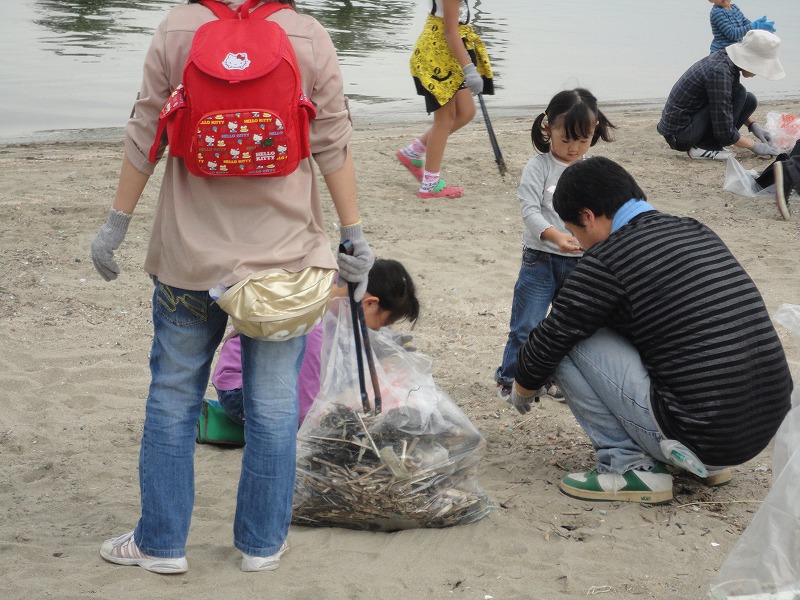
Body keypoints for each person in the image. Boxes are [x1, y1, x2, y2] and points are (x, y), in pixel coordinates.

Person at [90, 0, 375, 575]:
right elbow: (332, 142)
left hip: (188, 257)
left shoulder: (177, 28)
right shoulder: (308, 34)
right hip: (283, 262)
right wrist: (353, 234)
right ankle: (261, 544)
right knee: (274, 406)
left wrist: (117, 223)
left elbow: (146, 131)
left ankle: (160, 544)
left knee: (174, 397)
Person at [509, 157, 792, 504]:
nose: (579, 242)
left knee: (569, 340)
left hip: (703, 437)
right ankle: (705, 464)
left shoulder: (606, 259)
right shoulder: (693, 229)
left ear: (588, 217)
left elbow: (548, 340)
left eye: (574, 230)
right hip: (759, 428)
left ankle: (629, 465)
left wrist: (522, 389)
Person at [494, 88, 615, 400]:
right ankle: (511, 377)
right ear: (548, 128)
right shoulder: (539, 167)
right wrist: (555, 236)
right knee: (527, 323)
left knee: (566, 326)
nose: (574, 148)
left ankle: (548, 377)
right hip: (541, 260)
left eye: (583, 140)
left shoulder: (592, 171)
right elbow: (529, 210)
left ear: (594, 132)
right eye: (566, 139)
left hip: (581, 262)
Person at [213, 259, 421, 426]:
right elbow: (305, 411)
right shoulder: (312, 327)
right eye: (381, 324)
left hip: (271, 379)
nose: (377, 332)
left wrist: (378, 353)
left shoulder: (330, 285)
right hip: (240, 394)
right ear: (369, 303)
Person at [395, 0, 493, 199]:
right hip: (437, 54)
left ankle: (412, 153)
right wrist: (469, 69)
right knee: (444, 120)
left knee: (466, 112)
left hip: (451, 52)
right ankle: (429, 186)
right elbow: (450, 32)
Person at [657, 29, 784, 161]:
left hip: (687, 125)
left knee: (749, 99)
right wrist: (754, 146)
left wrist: (753, 126)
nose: (758, 73)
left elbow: (724, 103)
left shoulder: (726, 62)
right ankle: (704, 147)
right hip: (680, 135)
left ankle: (708, 144)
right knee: (739, 93)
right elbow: (724, 130)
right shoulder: (720, 72)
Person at [708, 0, 775, 53]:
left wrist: (758, 27)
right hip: (722, 53)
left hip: (735, 50)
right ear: (711, 0)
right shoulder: (717, 13)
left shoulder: (734, 8)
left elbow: (745, 22)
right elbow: (733, 34)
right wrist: (754, 26)